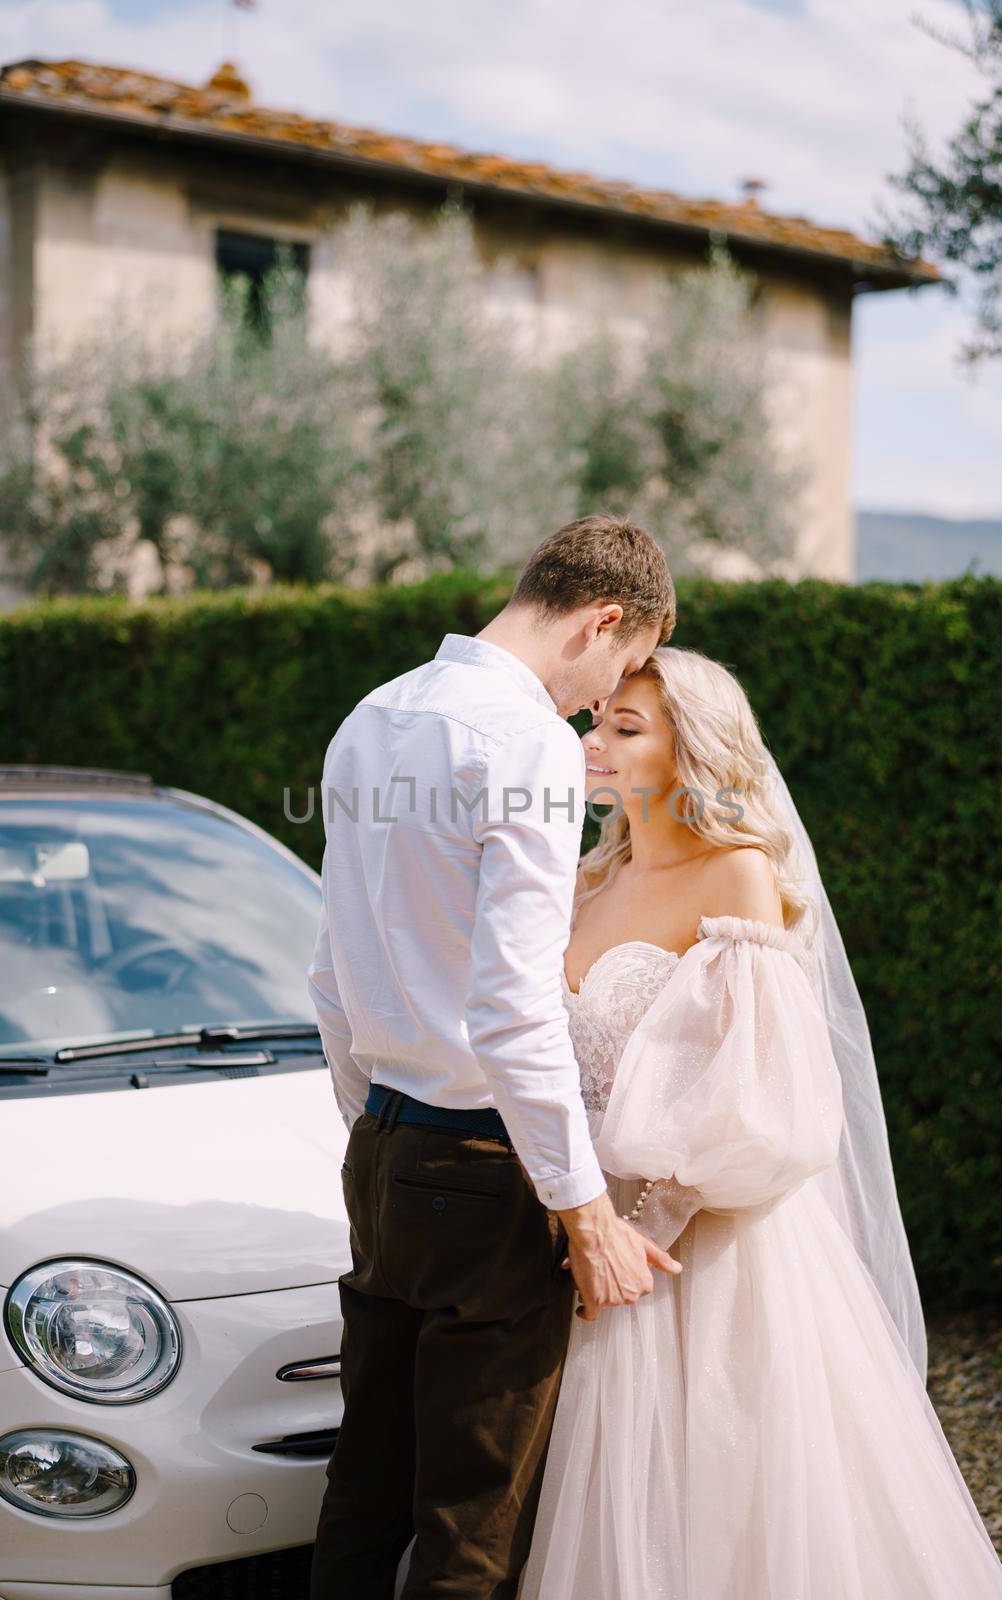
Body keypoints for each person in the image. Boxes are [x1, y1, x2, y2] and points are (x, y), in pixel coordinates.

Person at [517, 644, 1002, 1599]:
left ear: (691, 752)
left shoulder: (735, 877)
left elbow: (763, 1104)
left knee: (716, 1488)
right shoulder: (579, 880)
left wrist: (636, 1234)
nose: (596, 741)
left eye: (628, 728)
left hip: (696, 1240)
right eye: (598, 721)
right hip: (571, 1217)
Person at [306, 514, 683, 1599]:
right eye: (624, 661)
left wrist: (376, 1124)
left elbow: (329, 972)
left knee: (365, 1489)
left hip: (383, 1146)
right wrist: (584, 1211)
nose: (602, 699)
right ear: (602, 619)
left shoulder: (369, 717)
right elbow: (511, 1005)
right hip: (481, 1167)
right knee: (471, 1524)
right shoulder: (523, 744)